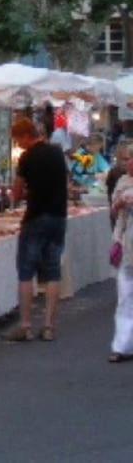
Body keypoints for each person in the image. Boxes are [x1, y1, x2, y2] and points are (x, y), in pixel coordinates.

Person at [4, 117, 68, 342]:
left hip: (36, 217)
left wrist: (17, 194)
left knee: (26, 271)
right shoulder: (57, 152)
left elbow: (17, 192)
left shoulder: (26, 157)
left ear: (24, 136)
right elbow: (65, 182)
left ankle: (26, 325)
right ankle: (49, 326)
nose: (18, 145)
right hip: (59, 217)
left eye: (17, 140)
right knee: (52, 272)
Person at [108, 152, 133, 362]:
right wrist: (118, 203)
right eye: (128, 159)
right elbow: (113, 212)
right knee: (125, 295)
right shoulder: (122, 182)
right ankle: (122, 345)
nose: (130, 163)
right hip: (127, 243)